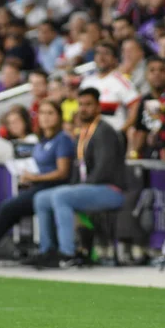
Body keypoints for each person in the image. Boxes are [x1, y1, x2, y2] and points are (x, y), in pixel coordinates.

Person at [0, 99, 75, 268]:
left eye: (50, 113)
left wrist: (34, 178)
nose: (45, 117)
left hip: (52, 188)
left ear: (59, 117)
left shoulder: (62, 139)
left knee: (7, 209)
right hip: (38, 187)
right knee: (6, 211)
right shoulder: (43, 141)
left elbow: (62, 172)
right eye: (42, 113)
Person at [32, 88, 126, 268]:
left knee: (62, 196)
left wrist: (76, 190)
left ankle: (68, 253)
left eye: (88, 105)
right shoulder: (83, 132)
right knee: (41, 198)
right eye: (81, 104)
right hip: (89, 188)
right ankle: (47, 250)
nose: (83, 109)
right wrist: (75, 187)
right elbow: (78, 168)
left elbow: (103, 169)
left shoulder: (104, 131)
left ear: (98, 107)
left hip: (110, 189)